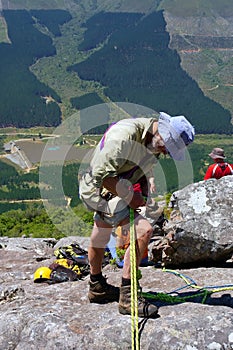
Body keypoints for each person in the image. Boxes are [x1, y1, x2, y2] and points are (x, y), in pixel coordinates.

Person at [79, 111, 195, 318]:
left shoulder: (152, 137)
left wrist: (143, 186)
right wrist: (131, 198)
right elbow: (101, 176)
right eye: (167, 147)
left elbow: (140, 165)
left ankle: (96, 286)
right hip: (97, 187)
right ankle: (128, 297)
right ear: (162, 132)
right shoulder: (122, 137)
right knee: (144, 230)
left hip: (114, 184)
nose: (166, 153)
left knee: (102, 230)